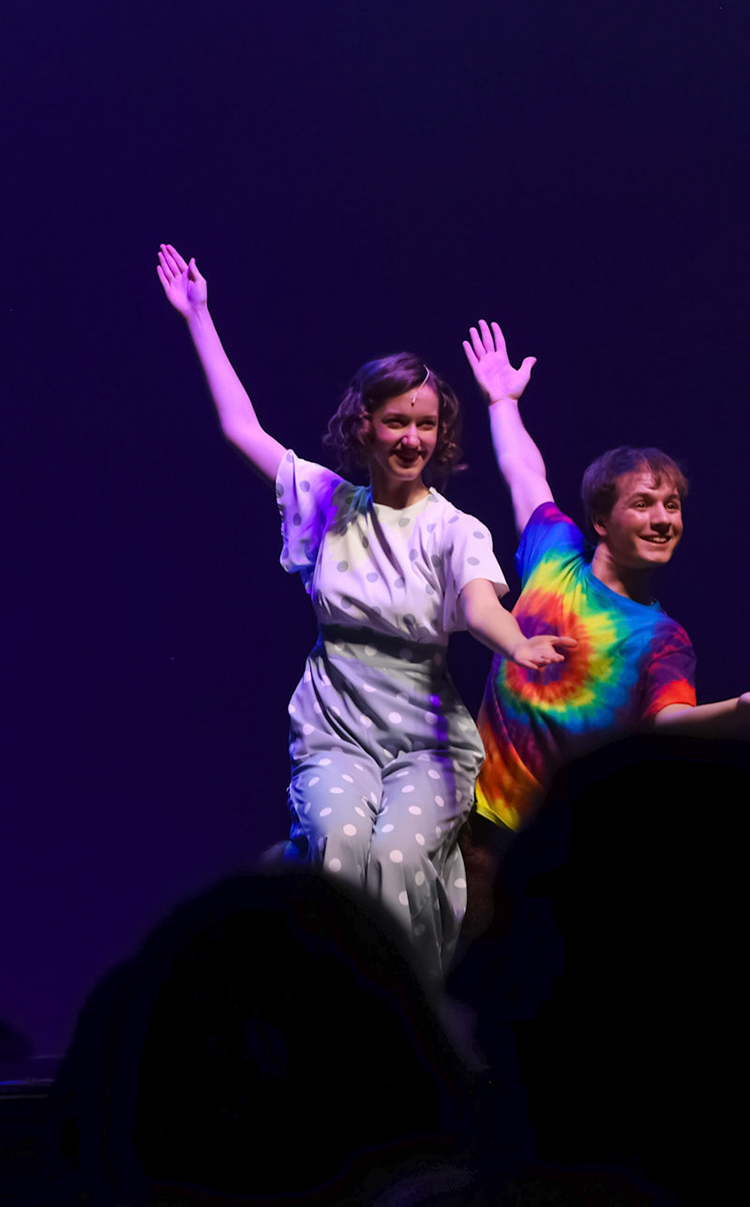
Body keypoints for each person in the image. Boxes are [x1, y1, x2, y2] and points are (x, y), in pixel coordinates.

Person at [156, 245, 572, 977]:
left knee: (398, 858)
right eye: (396, 421)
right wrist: (198, 316)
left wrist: (517, 645)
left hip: (425, 743)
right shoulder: (326, 504)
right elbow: (241, 428)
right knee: (340, 851)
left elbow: (479, 604)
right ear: (365, 425)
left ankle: (407, 1007)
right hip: (336, 731)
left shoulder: (455, 530)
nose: (412, 438)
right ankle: (319, 988)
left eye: (426, 424)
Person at [460, 320, 750, 839]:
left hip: (536, 844)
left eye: (672, 505)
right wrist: (502, 402)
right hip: (467, 804)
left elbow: (668, 720)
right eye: (644, 503)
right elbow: (524, 473)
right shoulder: (555, 554)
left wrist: (739, 708)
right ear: (601, 521)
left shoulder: (662, 638)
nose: (663, 519)